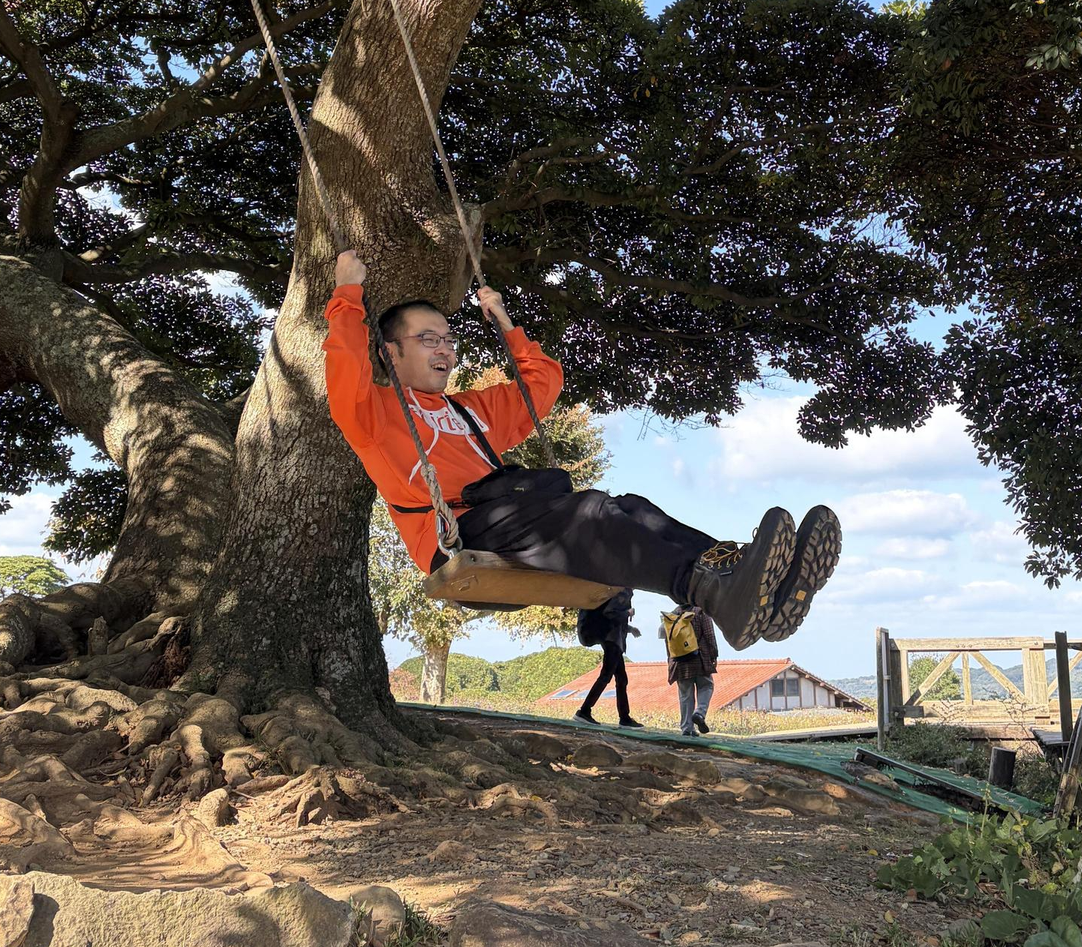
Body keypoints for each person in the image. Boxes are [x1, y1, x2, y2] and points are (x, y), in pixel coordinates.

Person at [324, 255, 842, 650]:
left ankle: (748, 580)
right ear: (391, 351)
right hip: (458, 536)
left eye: (449, 338)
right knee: (591, 510)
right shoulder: (374, 413)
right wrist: (347, 291)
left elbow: (542, 383)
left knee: (632, 507)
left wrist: (505, 322)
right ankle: (713, 591)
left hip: (511, 520)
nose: (445, 349)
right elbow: (344, 367)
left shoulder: (469, 410)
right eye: (428, 339)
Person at [574, 590, 641, 728]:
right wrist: (628, 613)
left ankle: (624, 717)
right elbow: (609, 613)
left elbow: (613, 618)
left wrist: (630, 629)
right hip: (612, 641)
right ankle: (584, 711)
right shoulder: (623, 593)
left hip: (614, 641)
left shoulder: (620, 591)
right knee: (607, 676)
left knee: (621, 679)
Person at [667, 603, 718, 736]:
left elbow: (668, 641)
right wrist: (714, 654)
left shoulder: (673, 615)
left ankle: (687, 728)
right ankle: (700, 712)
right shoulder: (700, 612)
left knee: (685, 695)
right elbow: (709, 635)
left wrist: (671, 662)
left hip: (680, 662)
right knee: (706, 686)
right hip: (699, 658)